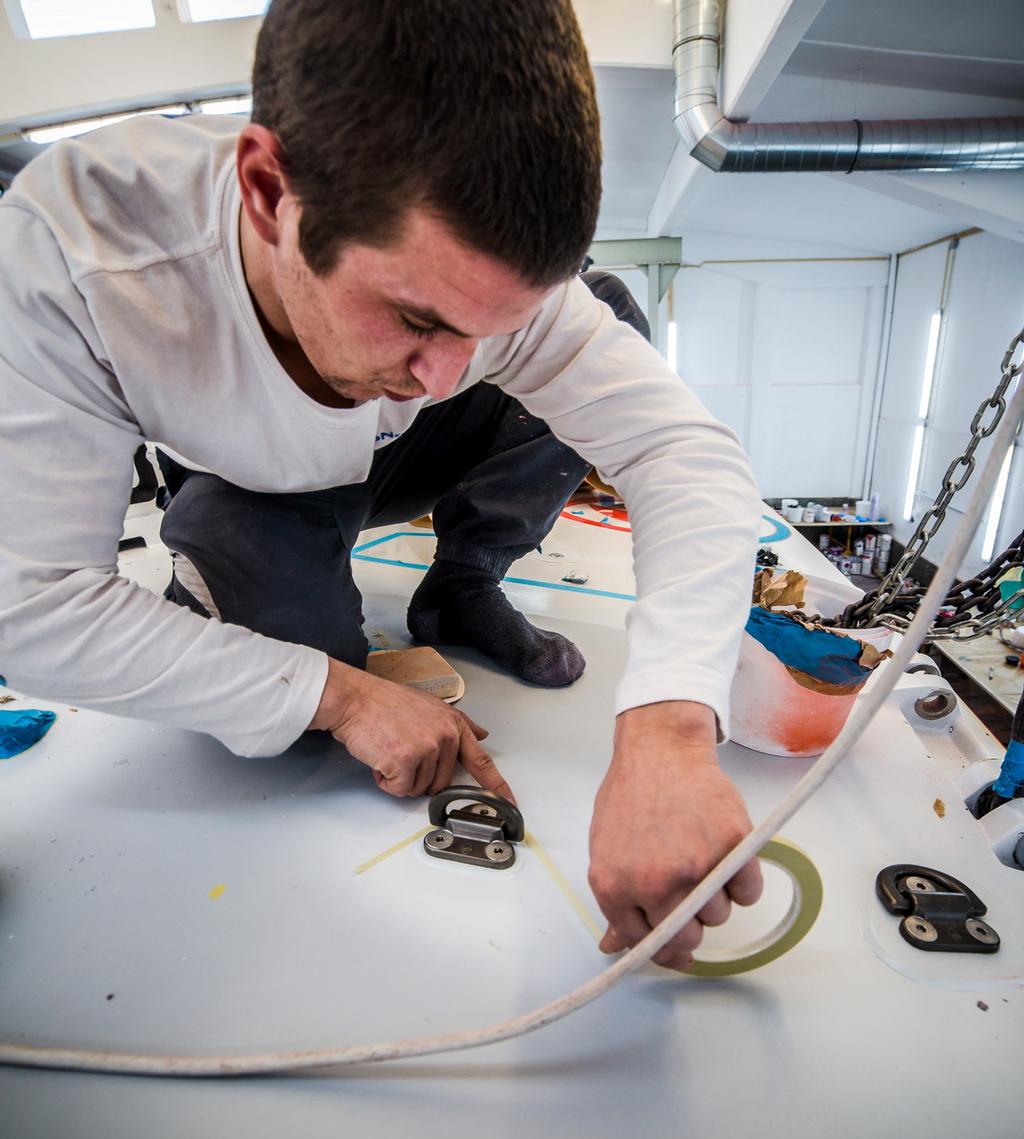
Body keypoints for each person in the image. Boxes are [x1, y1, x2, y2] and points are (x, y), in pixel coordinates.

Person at [0, 0, 763, 971]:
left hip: (411, 459)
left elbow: (681, 450)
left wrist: (668, 725)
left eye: (490, 331)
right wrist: (343, 696)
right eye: (415, 315)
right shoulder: (75, 253)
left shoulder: (455, 309)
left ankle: (465, 578)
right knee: (288, 715)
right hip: (254, 480)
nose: (449, 374)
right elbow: (28, 606)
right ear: (269, 190)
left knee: (606, 308)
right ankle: (218, 553)